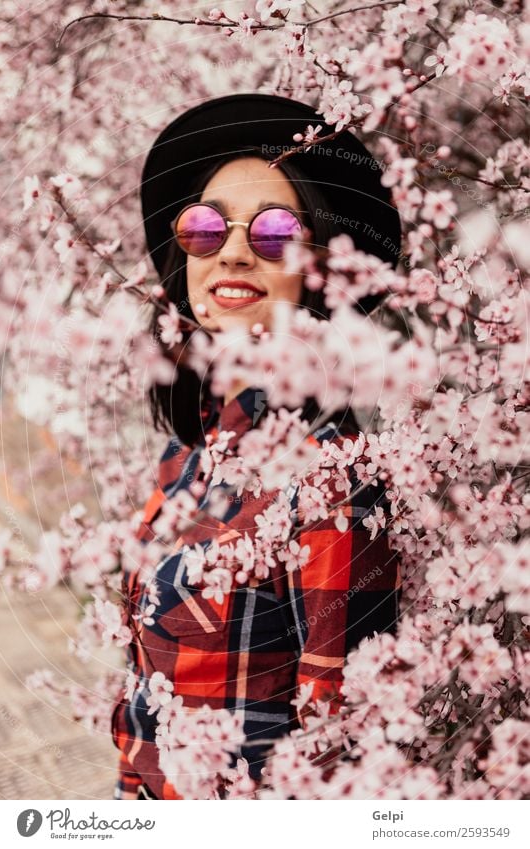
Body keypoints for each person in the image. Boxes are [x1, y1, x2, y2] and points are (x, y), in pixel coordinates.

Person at [111, 94, 402, 800]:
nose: (233, 249)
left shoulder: (333, 480)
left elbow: (335, 739)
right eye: (206, 228)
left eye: (275, 232)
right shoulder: (186, 454)